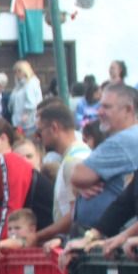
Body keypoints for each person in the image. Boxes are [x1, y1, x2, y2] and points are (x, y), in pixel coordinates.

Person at [67, 83, 138, 233]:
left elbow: (78, 175)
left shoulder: (124, 140)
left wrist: (80, 182)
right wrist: (80, 185)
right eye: (100, 106)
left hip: (113, 236)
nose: (99, 112)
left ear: (128, 110)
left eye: (106, 107)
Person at [31, 101, 92, 247]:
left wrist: (38, 236)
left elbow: (74, 215)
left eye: (40, 132)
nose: (38, 138)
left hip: (74, 246)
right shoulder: (77, 155)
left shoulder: (73, 162)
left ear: (54, 128)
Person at [7, 61, 43, 138]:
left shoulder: (30, 84)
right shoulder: (18, 86)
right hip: (18, 121)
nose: (17, 74)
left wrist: (26, 114)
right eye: (15, 71)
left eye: (19, 71)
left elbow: (32, 102)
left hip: (28, 122)